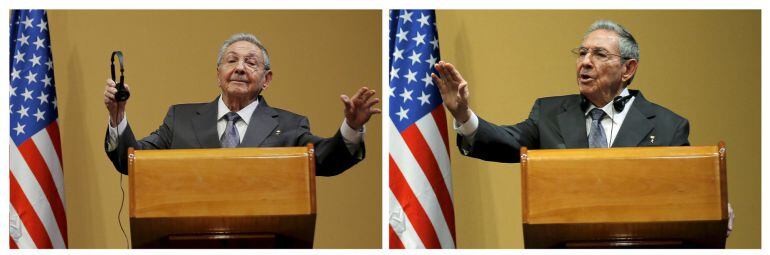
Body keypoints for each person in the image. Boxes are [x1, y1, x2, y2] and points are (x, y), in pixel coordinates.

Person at [103, 33, 380, 176]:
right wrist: (118, 117)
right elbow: (133, 160)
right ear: (218, 74)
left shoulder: (289, 125)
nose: (239, 68)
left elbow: (327, 159)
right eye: (231, 60)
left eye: (251, 63)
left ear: (266, 79)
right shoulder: (180, 119)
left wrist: (351, 127)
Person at [432, 20, 690, 163]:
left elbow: (692, 187)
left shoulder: (668, 127)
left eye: (599, 54)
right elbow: (506, 142)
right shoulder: (549, 114)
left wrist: (719, 206)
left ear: (628, 69)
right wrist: (464, 115)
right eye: (582, 53)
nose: (585, 61)